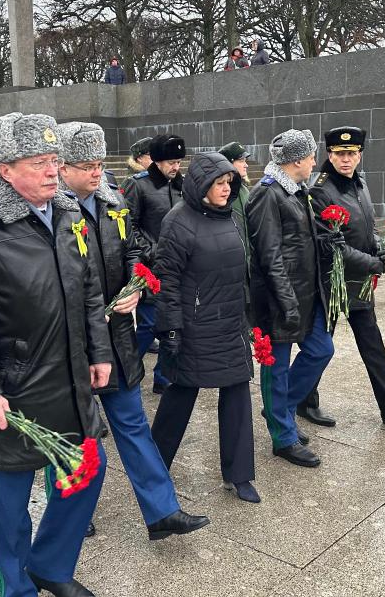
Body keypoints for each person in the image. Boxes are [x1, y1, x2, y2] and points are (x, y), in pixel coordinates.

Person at [0, 112, 112, 597]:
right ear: (5, 170)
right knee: (9, 511)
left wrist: (99, 350)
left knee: (87, 472)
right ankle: (17, 589)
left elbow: (89, 289)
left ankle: (50, 565)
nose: (53, 171)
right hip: (11, 389)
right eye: (39, 163)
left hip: (69, 379)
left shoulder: (71, 213)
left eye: (55, 161)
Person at [58, 121, 210, 538]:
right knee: (78, 433)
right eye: (85, 165)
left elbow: (134, 250)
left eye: (98, 163)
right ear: (61, 167)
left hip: (118, 334)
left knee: (133, 424)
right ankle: (71, 511)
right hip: (72, 341)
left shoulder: (111, 204)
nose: (96, 172)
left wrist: (134, 287)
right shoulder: (51, 210)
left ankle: (162, 510)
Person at [302, 127, 385, 427]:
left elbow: (367, 223)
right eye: (339, 154)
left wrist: (379, 248)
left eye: (351, 154)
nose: (346, 159)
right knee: (320, 348)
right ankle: (306, 401)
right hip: (332, 283)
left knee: (372, 344)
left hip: (358, 283)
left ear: (360, 155)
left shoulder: (359, 182)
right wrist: (372, 263)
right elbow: (332, 247)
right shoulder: (320, 190)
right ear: (329, 155)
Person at [151, 152, 259, 503]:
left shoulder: (230, 217)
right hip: (193, 327)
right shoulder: (178, 221)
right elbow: (166, 279)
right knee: (180, 396)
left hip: (230, 322)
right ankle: (152, 469)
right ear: (201, 186)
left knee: (237, 394)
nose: (226, 189)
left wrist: (250, 317)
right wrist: (170, 330)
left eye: (229, 182)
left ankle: (239, 474)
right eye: (218, 183)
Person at [246, 129, 334, 468]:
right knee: (276, 368)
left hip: (305, 296)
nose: (315, 160)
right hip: (277, 300)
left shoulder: (297, 191)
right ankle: (283, 438)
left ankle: (280, 408)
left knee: (321, 350)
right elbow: (269, 257)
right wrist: (287, 303)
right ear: (297, 160)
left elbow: (299, 243)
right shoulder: (267, 195)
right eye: (312, 155)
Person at [124, 134, 187, 393]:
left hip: (179, 266)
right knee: (149, 324)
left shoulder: (182, 184)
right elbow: (128, 225)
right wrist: (151, 251)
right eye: (171, 162)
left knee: (173, 323)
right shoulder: (138, 185)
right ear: (157, 161)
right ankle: (126, 367)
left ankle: (164, 377)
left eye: (179, 161)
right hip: (150, 266)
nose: (176, 167)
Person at [218, 141, 252, 254]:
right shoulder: (219, 193)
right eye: (241, 161)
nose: (246, 165)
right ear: (229, 163)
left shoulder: (244, 190)